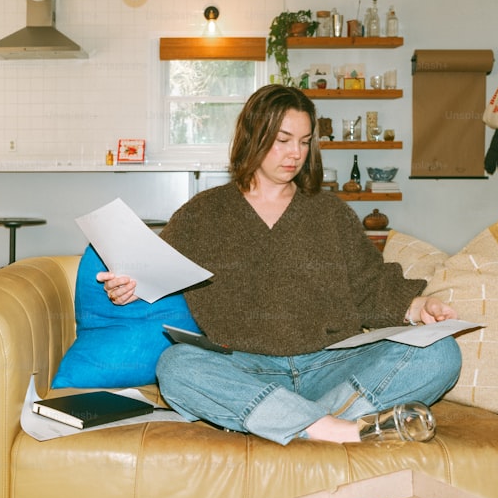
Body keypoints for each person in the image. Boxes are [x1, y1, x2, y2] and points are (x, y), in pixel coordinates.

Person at [99, 84, 461, 445]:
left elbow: (370, 285)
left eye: (304, 142)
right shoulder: (201, 214)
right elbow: (154, 270)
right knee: (176, 366)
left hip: (329, 365)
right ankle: (336, 427)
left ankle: (287, 419)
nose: (295, 153)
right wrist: (128, 287)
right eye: (283, 139)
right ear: (253, 136)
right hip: (246, 368)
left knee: (441, 354)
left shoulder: (331, 212)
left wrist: (417, 307)